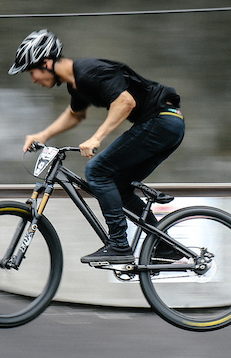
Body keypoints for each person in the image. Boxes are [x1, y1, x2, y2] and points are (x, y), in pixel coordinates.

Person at [10, 29, 185, 264]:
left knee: (97, 171)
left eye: (32, 72)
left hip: (161, 121)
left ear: (47, 62)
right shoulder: (77, 84)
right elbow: (74, 115)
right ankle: (164, 246)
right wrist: (42, 135)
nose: (33, 79)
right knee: (120, 187)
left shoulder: (89, 72)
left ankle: (119, 246)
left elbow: (125, 102)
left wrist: (96, 138)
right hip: (166, 124)